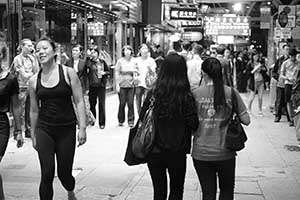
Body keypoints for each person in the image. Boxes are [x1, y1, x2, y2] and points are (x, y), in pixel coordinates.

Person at [28, 37, 86, 200]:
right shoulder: (33, 81)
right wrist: (33, 134)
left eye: (45, 48)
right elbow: (33, 110)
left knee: (64, 174)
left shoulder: (68, 73)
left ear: (54, 52)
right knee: (46, 173)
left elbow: (79, 100)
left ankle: (70, 190)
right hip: (44, 129)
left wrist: (82, 128)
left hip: (66, 129)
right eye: (37, 50)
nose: (40, 52)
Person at [139, 53, 199, 200]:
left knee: (158, 191)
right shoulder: (186, 96)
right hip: (177, 151)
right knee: (177, 191)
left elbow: (142, 116)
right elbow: (194, 124)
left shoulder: (154, 93)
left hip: (154, 149)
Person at [192, 57, 250, 200]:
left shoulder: (195, 94)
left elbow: (189, 123)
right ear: (221, 72)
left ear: (203, 73)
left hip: (201, 152)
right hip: (225, 152)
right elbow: (246, 120)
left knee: (208, 194)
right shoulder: (231, 93)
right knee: (226, 191)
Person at [0, 43, 24, 200]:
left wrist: (18, 130)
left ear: (1, 56)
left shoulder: (10, 79)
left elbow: (16, 106)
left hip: (1, 124)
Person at [11, 38, 39, 138]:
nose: (31, 48)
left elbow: (37, 72)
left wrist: (35, 59)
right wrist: (31, 74)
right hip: (21, 87)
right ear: (22, 46)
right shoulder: (17, 59)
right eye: (28, 46)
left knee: (30, 110)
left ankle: (28, 130)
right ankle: (17, 131)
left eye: (32, 46)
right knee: (20, 110)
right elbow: (24, 75)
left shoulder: (31, 58)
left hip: (30, 87)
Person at [65, 44, 95, 126]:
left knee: (85, 104)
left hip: (82, 85)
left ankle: (90, 118)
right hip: (71, 85)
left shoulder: (83, 62)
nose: (74, 52)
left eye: (76, 50)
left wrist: (88, 57)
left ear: (80, 52)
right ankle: (80, 122)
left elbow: (87, 74)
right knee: (74, 104)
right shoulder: (68, 62)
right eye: (73, 50)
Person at [86, 46, 110, 129]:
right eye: (92, 52)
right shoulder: (89, 62)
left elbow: (108, 71)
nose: (93, 54)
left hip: (101, 86)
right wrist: (89, 58)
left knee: (101, 104)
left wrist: (104, 73)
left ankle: (102, 123)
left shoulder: (102, 62)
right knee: (92, 103)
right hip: (92, 86)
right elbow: (87, 68)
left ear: (98, 53)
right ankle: (92, 120)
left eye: (94, 52)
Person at [115, 45, 138, 127]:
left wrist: (135, 78)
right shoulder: (120, 61)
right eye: (125, 50)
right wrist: (117, 84)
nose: (127, 51)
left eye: (129, 50)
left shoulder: (134, 61)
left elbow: (137, 72)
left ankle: (131, 120)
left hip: (131, 84)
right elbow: (117, 72)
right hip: (122, 84)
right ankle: (121, 120)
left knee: (130, 103)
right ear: (123, 52)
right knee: (122, 103)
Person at [279, 48, 300, 127]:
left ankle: (296, 118)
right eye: (292, 57)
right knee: (288, 101)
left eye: (294, 56)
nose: (293, 58)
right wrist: (287, 78)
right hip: (288, 83)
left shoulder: (298, 63)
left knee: (296, 101)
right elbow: (281, 75)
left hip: (297, 85)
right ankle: (291, 119)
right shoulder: (285, 63)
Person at [135, 44, 157, 114]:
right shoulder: (136, 60)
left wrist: (150, 68)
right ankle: (139, 115)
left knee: (146, 100)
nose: (145, 50)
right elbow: (134, 71)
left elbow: (153, 72)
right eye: (143, 48)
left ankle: (145, 115)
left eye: (146, 48)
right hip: (138, 83)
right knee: (138, 101)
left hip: (148, 83)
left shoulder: (151, 60)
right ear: (140, 50)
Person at [246, 51, 268, 116]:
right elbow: (248, 73)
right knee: (252, 97)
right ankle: (249, 109)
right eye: (255, 56)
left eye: (257, 56)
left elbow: (265, 70)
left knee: (260, 97)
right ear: (252, 57)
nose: (256, 57)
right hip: (254, 82)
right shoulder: (250, 64)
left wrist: (261, 69)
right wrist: (255, 69)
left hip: (261, 81)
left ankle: (260, 110)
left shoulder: (260, 63)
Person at [273, 44, 290, 122]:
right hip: (280, 83)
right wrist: (278, 78)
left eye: (288, 49)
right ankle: (277, 115)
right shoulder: (279, 60)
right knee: (279, 100)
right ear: (283, 50)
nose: (287, 51)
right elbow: (274, 72)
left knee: (288, 100)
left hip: (289, 84)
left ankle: (290, 117)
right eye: (286, 49)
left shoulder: (292, 60)